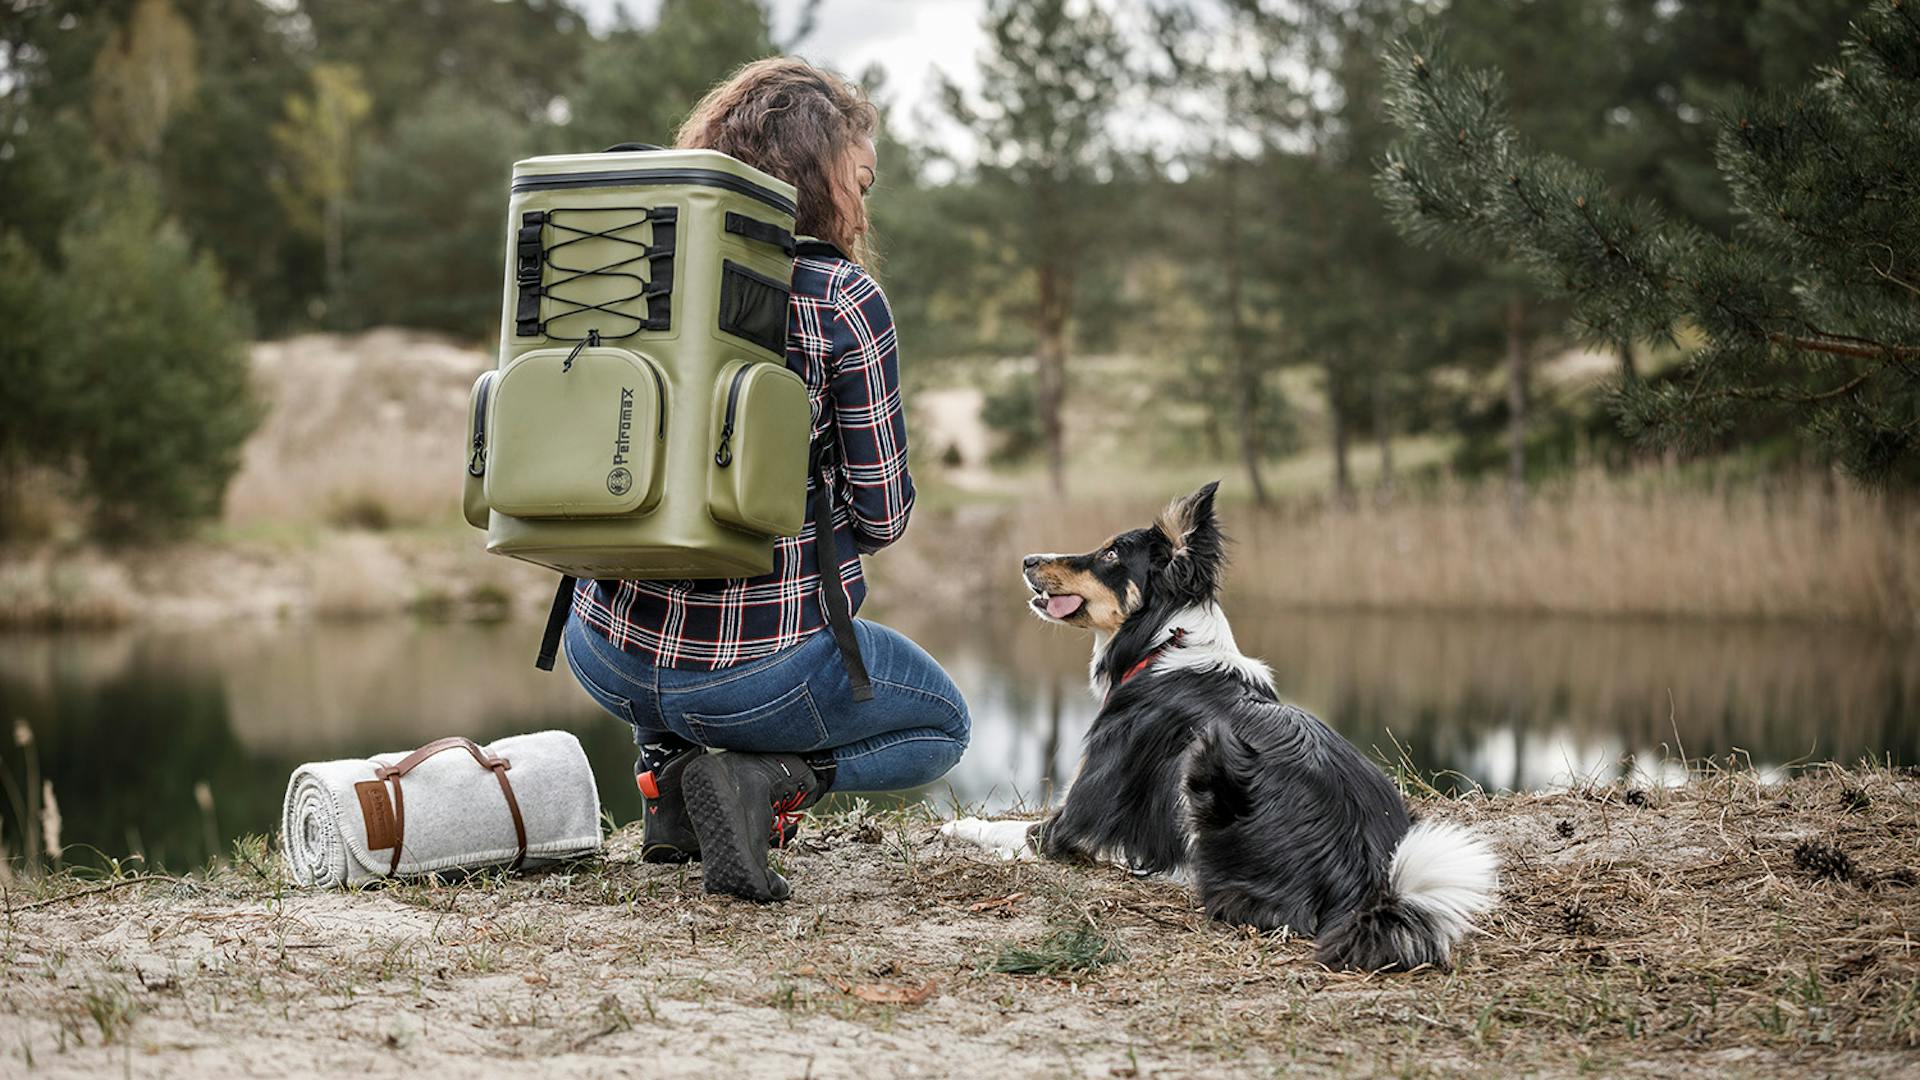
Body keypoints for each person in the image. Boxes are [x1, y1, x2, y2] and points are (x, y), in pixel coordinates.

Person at [561, 57, 970, 903]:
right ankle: (763, 781)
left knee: (662, 585)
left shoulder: (639, 263)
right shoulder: (840, 298)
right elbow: (884, 514)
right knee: (943, 724)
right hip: (753, 674)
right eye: (860, 180)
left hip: (599, 648)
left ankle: (667, 789)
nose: (865, 203)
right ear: (822, 181)